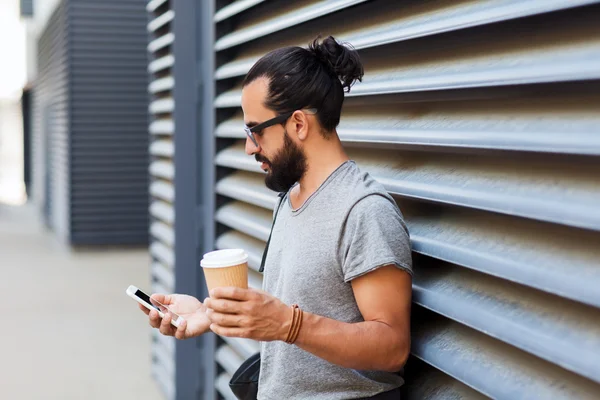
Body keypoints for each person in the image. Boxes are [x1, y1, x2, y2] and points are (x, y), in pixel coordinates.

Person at [139, 35, 413, 400]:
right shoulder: (291, 197)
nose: (250, 146)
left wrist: (289, 324)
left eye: (255, 130)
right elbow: (297, 308)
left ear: (298, 124)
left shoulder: (364, 210)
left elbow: (392, 347)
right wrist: (209, 314)